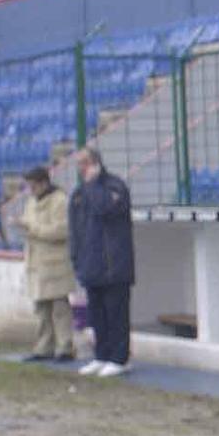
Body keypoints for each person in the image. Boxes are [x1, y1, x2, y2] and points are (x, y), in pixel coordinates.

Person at [69, 148, 135, 378]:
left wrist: (95, 184)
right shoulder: (78, 194)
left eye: (84, 163)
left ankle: (120, 358)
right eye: (78, 164)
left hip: (113, 265)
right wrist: (76, 258)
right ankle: (102, 355)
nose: (81, 169)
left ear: (95, 163)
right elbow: (75, 229)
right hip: (91, 265)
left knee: (116, 314)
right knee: (97, 316)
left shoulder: (114, 187)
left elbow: (105, 208)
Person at [14, 165, 75, 364]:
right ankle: (44, 346)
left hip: (55, 263)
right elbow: (29, 224)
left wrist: (33, 229)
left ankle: (64, 347)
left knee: (59, 307)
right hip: (36, 262)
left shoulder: (60, 201)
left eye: (33, 186)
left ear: (44, 183)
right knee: (41, 309)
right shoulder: (31, 202)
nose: (31, 191)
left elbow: (61, 231)